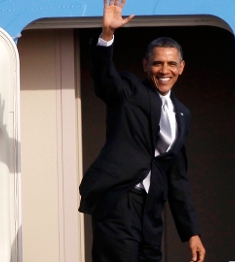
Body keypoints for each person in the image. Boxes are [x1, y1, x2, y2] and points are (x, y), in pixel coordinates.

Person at [79, 0, 206, 261]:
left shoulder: (183, 114)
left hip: (151, 209)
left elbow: (177, 178)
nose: (164, 70)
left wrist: (191, 232)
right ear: (146, 65)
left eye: (171, 64)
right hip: (119, 199)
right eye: (157, 63)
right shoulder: (130, 90)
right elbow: (105, 81)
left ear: (181, 68)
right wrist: (107, 35)